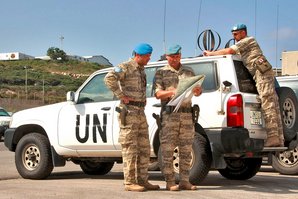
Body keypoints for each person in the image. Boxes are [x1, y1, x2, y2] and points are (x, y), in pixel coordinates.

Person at [203, 23, 284, 147]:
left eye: (236, 34)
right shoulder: (245, 45)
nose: (234, 37)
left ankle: (273, 137)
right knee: (273, 104)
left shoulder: (248, 40)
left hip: (261, 74)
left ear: (243, 33)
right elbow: (233, 54)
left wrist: (210, 54)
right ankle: (279, 138)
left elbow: (230, 50)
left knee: (268, 103)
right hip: (261, 74)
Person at [104, 43, 160, 192]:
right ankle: (129, 182)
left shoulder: (141, 70)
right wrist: (121, 95)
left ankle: (142, 180)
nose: (149, 58)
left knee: (144, 148)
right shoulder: (126, 66)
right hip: (129, 113)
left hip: (140, 112)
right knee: (129, 148)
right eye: (147, 56)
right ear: (138, 55)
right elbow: (109, 78)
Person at [154, 44, 202, 191]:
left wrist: (198, 90)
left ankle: (184, 181)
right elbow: (157, 94)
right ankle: (170, 182)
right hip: (170, 116)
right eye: (171, 57)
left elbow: (197, 93)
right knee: (168, 149)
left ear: (180, 55)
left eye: (177, 56)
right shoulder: (161, 72)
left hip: (187, 114)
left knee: (186, 149)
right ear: (166, 57)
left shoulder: (189, 71)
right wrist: (172, 92)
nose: (174, 59)